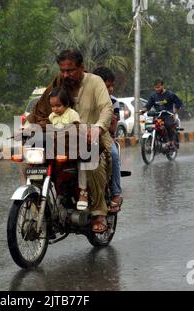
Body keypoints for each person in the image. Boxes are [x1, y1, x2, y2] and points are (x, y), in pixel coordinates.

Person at [27, 49, 113, 233]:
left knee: (92, 164)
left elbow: (106, 108)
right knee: (33, 161)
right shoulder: (58, 84)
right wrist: (28, 128)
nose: (66, 75)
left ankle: (99, 212)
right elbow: (41, 109)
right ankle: (39, 205)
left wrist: (98, 127)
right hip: (61, 139)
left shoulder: (95, 82)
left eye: (70, 70)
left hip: (92, 140)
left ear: (82, 67)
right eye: (63, 71)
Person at [48, 86, 89, 211]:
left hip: (72, 147)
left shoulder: (72, 114)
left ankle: (83, 192)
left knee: (81, 162)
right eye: (53, 106)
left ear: (66, 104)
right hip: (57, 149)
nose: (55, 109)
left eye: (58, 106)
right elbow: (46, 129)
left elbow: (77, 128)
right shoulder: (51, 117)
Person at [92, 66, 123, 213]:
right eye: (107, 85)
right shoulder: (85, 98)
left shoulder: (113, 102)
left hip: (104, 137)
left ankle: (116, 193)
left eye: (112, 85)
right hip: (83, 136)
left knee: (114, 155)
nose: (110, 89)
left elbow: (112, 127)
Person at [140, 78, 182, 148]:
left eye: (159, 87)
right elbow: (148, 106)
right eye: (156, 87)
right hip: (158, 116)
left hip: (168, 115)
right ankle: (156, 140)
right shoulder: (153, 96)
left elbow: (178, 103)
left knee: (168, 125)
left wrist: (174, 112)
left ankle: (171, 142)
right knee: (151, 126)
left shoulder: (170, 94)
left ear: (163, 86)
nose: (157, 89)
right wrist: (142, 111)